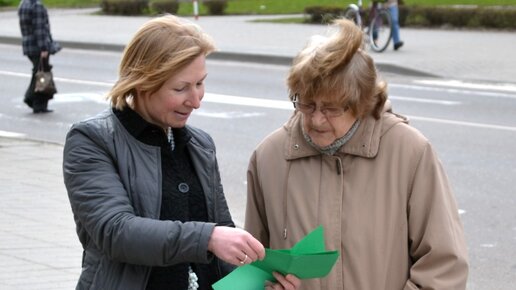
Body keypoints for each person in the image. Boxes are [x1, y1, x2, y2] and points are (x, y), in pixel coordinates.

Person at [63, 15, 300, 290]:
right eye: (181, 88)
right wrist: (208, 238)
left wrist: (259, 281)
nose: (196, 100)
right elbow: (116, 231)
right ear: (143, 81)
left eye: (200, 83)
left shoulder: (200, 145)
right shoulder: (92, 140)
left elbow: (223, 240)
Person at [244, 18, 468, 290]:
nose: (316, 119)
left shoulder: (409, 152)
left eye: (331, 108)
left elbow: (443, 265)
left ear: (361, 103)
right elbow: (253, 266)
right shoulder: (269, 158)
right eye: (306, 104)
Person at [18, 0, 60, 113]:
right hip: (38, 47)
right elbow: (40, 29)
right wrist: (44, 48)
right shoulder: (37, 6)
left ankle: (36, 102)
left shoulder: (24, 3)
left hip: (29, 45)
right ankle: (35, 101)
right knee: (42, 75)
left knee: (38, 73)